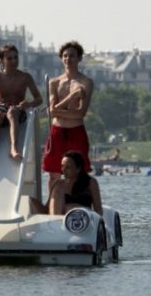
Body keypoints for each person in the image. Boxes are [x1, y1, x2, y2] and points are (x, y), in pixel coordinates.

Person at [42, 40, 94, 191]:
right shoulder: (55, 82)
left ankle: (77, 203)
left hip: (76, 131)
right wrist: (72, 97)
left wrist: (59, 110)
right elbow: (51, 111)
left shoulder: (86, 82)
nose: (68, 59)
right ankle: (53, 204)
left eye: (72, 55)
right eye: (65, 56)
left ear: (79, 58)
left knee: (79, 173)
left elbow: (81, 113)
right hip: (57, 132)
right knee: (54, 174)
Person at [0, 44, 42, 160]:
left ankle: (13, 149)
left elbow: (39, 99)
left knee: (12, 112)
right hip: (2, 110)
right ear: (2, 61)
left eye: (15, 57)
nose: (14, 61)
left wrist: (28, 104)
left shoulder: (25, 77)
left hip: (18, 111)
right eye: (9, 58)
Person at [49, 151, 103, 216]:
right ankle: (55, 222)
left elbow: (98, 209)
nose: (63, 170)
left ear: (78, 169)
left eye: (67, 167)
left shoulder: (90, 182)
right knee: (58, 186)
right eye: (62, 166)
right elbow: (48, 207)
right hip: (61, 218)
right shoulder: (58, 184)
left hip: (82, 219)